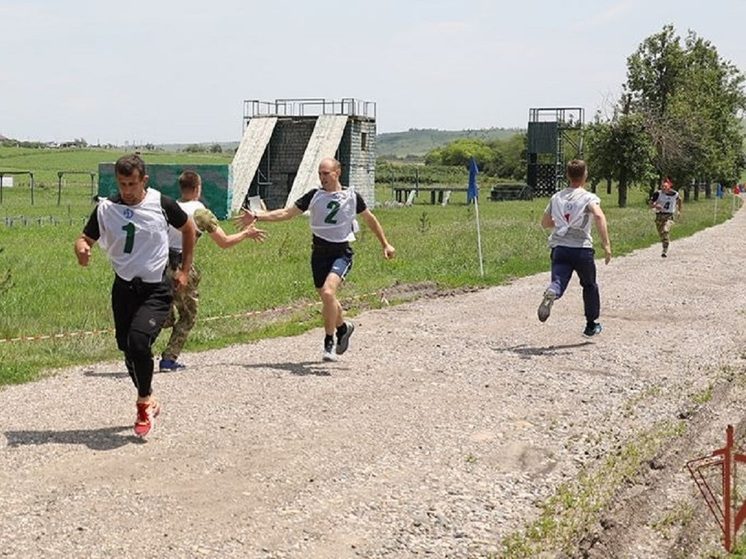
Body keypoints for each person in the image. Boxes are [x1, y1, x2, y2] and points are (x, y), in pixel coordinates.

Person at [74, 154, 196, 438]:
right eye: (122, 184)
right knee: (127, 351)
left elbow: (188, 228)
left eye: (132, 183)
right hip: (124, 288)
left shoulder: (161, 204)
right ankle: (149, 397)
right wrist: (81, 250)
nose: (127, 190)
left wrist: (184, 270)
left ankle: (142, 404)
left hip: (155, 289)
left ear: (144, 180)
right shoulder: (107, 208)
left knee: (139, 343)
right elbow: (85, 238)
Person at [238, 157, 395, 361]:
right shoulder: (314, 196)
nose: (322, 178)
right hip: (319, 253)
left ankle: (328, 342)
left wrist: (385, 244)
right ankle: (343, 327)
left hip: (341, 253)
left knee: (329, 292)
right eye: (320, 174)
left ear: (337, 173)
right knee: (327, 298)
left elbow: (370, 219)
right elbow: (286, 213)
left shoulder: (352, 196)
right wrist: (258, 216)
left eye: (326, 173)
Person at [159, 170, 266, 371]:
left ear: (181, 188)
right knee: (188, 315)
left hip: (160, 266)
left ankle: (154, 329)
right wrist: (246, 233)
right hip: (183, 266)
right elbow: (224, 242)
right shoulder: (201, 213)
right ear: (198, 188)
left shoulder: (170, 208)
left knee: (163, 310)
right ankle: (169, 358)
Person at [537, 159, 612, 337]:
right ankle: (591, 324)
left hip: (560, 248)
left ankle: (552, 292)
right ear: (585, 175)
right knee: (589, 285)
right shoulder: (588, 197)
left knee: (559, 281)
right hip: (581, 249)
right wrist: (606, 244)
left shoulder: (557, 197)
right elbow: (599, 216)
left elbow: (545, 223)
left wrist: (562, 222)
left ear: (568, 175)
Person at [649, 177, 682, 258]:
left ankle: (665, 249)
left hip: (669, 216)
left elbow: (680, 200)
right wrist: (656, 205)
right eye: (662, 186)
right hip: (659, 216)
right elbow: (650, 204)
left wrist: (679, 210)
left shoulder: (674, 194)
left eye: (665, 187)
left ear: (669, 187)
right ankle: (665, 245)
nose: (663, 188)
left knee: (665, 230)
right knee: (661, 234)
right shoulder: (657, 194)